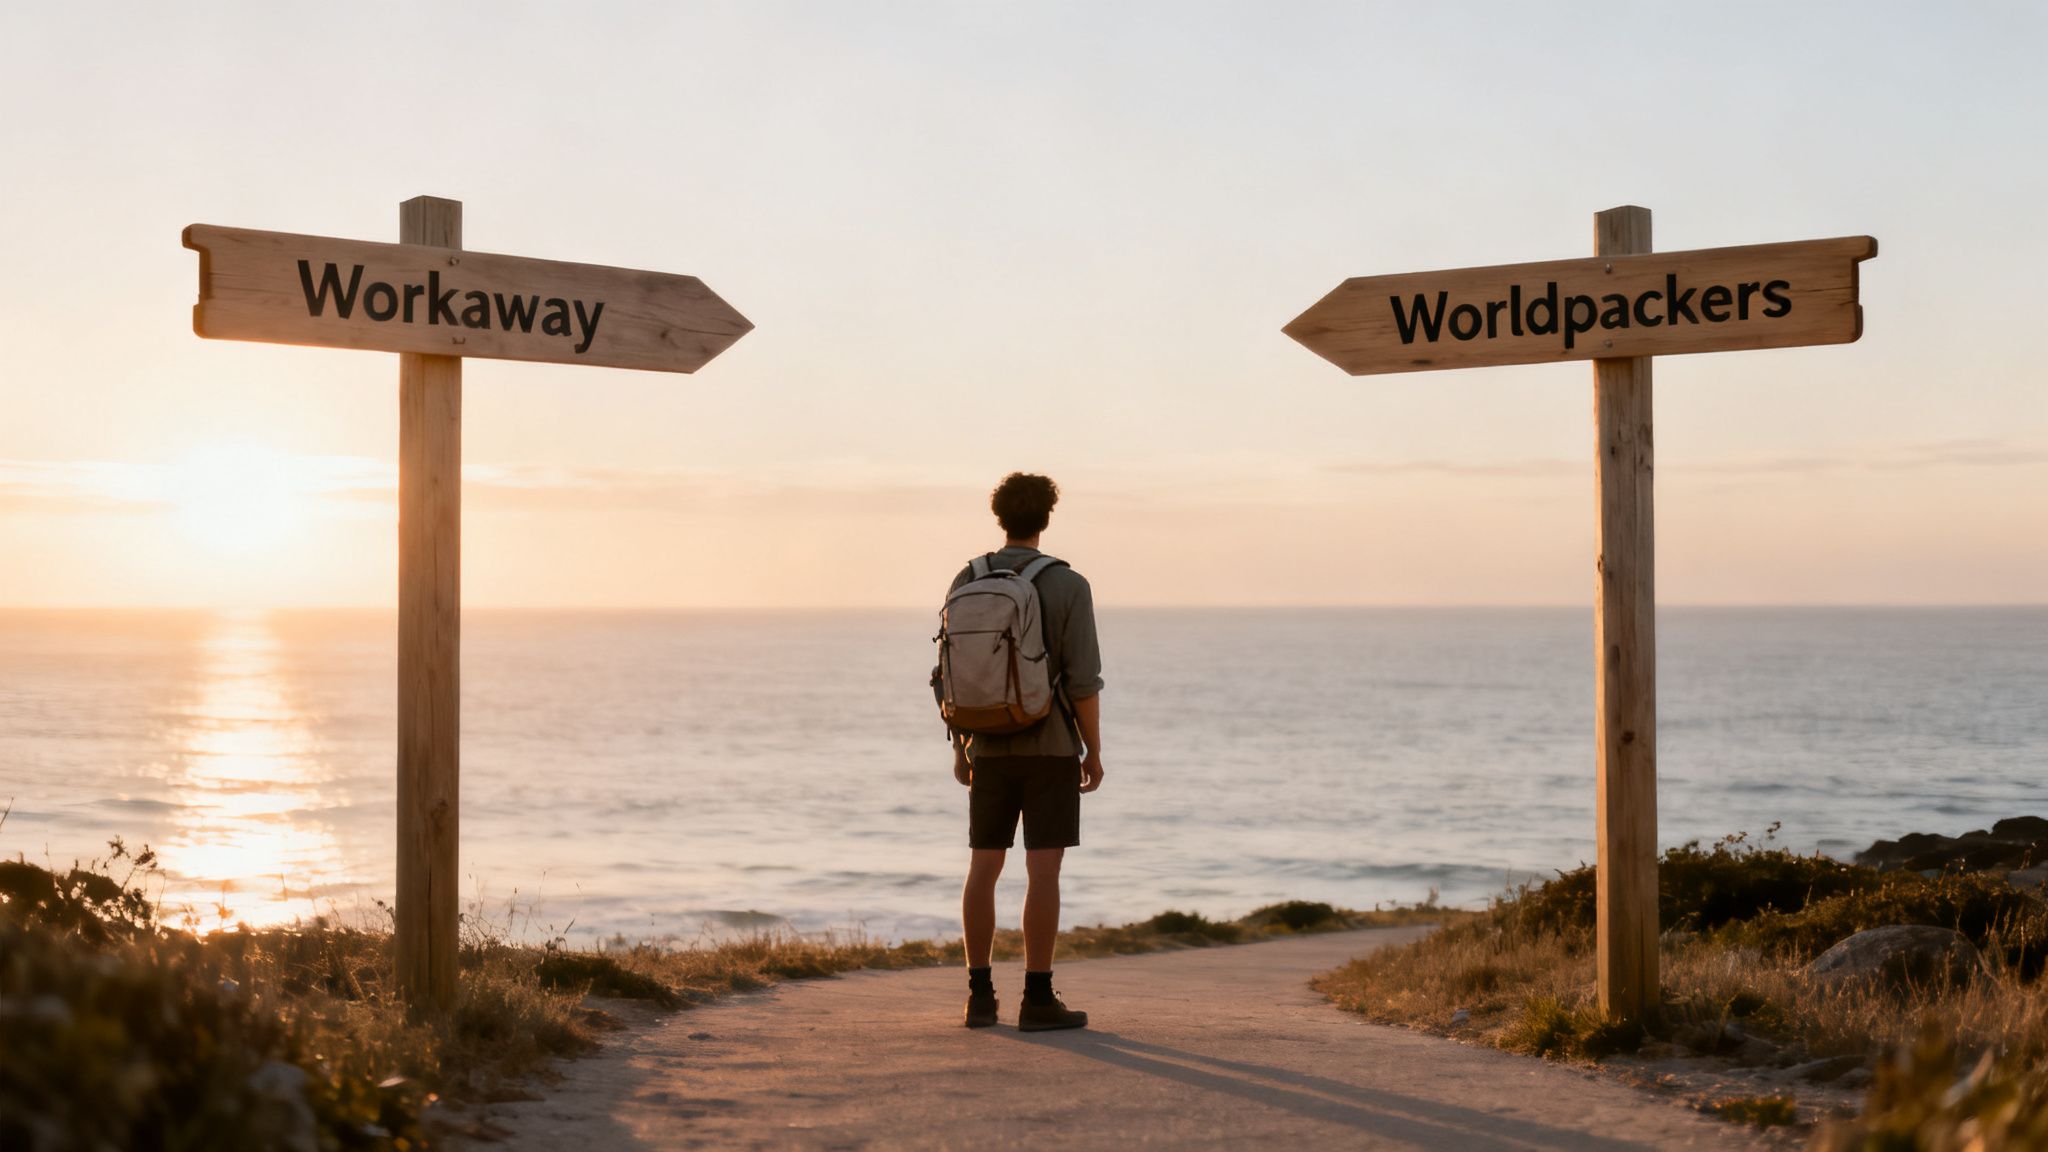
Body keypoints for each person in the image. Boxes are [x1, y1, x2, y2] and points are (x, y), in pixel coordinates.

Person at [950, 472, 1104, 1031]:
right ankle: (1038, 1000)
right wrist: (1093, 751)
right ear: (1046, 518)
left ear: (1000, 517)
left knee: (983, 868)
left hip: (986, 744)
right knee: (1043, 873)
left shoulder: (968, 578)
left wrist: (961, 747)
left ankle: (979, 996)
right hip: (1049, 746)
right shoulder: (1069, 585)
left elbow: (952, 673)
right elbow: (1084, 680)